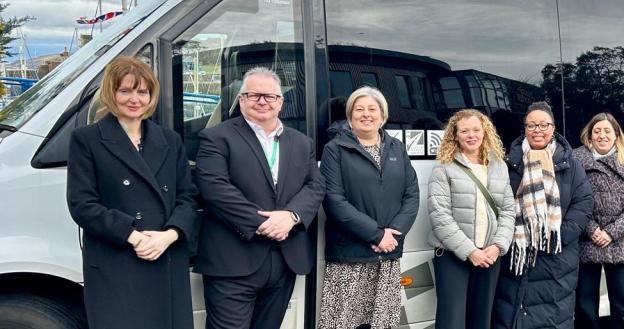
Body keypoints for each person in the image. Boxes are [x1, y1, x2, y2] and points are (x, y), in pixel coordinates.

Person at [66, 56, 198, 329]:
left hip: (166, 256)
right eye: (125, 90)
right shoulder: (87, 139)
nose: (134, 99)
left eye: (142, 91)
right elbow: (82, 204)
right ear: (111, 94)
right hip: (117, 261)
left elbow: (187, 197)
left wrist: (169, 236)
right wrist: (134, 237)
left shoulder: (169, 140)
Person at [194, 67, 325, 329]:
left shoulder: (302, 143)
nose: (262, 101)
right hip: (232, 260)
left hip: (285, 260)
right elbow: (215, 189)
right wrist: (264, 223)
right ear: (241, 99)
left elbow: (316, 184)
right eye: (253, 95)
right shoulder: (217, 137)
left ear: (281, 102)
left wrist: (291, 216)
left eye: (270, 96)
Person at [319, 86, 419, 328]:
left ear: (383, 116)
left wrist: (393, 233)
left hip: (387, 253)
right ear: (350, 117)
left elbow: (412, 194)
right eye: (359, 109)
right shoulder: (335, 149)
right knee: (342, 322)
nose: (366, 114)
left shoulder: (396, 148)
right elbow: (334, 200)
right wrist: (376, 235)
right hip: (350, 255)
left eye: (372, 109)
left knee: (381, 322)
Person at [492, 101, 594, 329]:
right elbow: (499, 203)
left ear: (553, 127)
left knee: (553, 317)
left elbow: (584, 202)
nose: (537, 130)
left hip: (557, 257)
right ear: (524, 129)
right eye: (531, 125)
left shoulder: (571, 165)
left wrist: (555, 236)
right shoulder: (510, 162)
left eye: (543, 125)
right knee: (511, 314)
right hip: (517, 255)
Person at [428, 109, 516, 329]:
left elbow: (508, 211)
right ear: (455, 135)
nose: (471, 135)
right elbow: (440, 216)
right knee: (452, 321)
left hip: (489, 255)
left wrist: (498, 246)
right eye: (464, 131)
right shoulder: (444, 167)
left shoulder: (499, 166)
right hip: (453, 256)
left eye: (476, 130)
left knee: (482, 321)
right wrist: (470, 251)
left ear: (485, 132)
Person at [573, 113, 624, 329]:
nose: (602, 135)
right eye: (597, 131)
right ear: (590, 134)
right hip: (586, 240)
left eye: (607, 131)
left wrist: (611, 232)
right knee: (584, 306)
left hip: (622, 242)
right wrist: (592, 229)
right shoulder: (576, 160)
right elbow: (571, 201)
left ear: (616, 134)